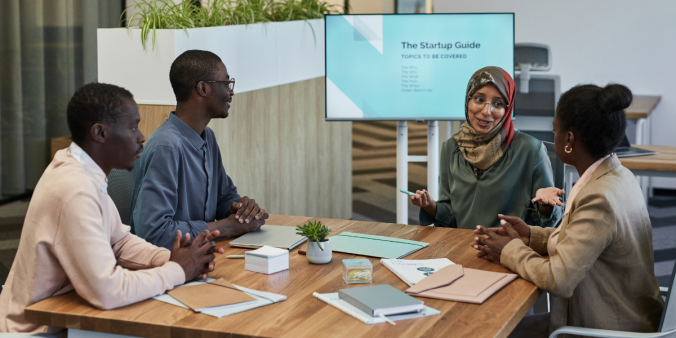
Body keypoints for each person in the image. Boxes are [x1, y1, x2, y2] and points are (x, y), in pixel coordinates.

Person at [0, 83, 222, 334]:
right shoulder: (75, 189)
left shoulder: (82, 169)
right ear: (100, 133)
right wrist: (178, 270)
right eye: (133, 127)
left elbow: (119, 242)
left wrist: (170, 257)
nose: (141, 137)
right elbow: (108, 290)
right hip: (36, 330)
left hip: (66, 318)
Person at [472, 84, 664, 337]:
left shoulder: (599, 197)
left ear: (569, 139)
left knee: (489, 331)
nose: (555, 136)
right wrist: (530, 236)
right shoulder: (618, 175)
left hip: (606, 328)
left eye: (556, 130)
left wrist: (509, 250)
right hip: (629, 315)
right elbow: (585, 240)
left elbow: (559, 279)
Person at [130, 50, 269, 250]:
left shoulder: (207, 136)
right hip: (165, 267)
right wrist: (225, 228)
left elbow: (224, 195)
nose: (231, 92)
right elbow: (153, 232)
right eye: (226, 83)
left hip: (201, 256)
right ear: (203, 88)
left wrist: (237, 209)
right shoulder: (167, 146)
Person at [411, 66, 563, 229]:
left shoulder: (531, 150)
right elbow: (450, 217)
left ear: (507, 108)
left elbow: (546, 224)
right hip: (463, 246)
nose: (486, 111)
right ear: (468, 99)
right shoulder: (452, 148)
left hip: (509, 248)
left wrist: (545, 206)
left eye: (498, 103)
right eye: (479, 99)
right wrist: (430, 206)